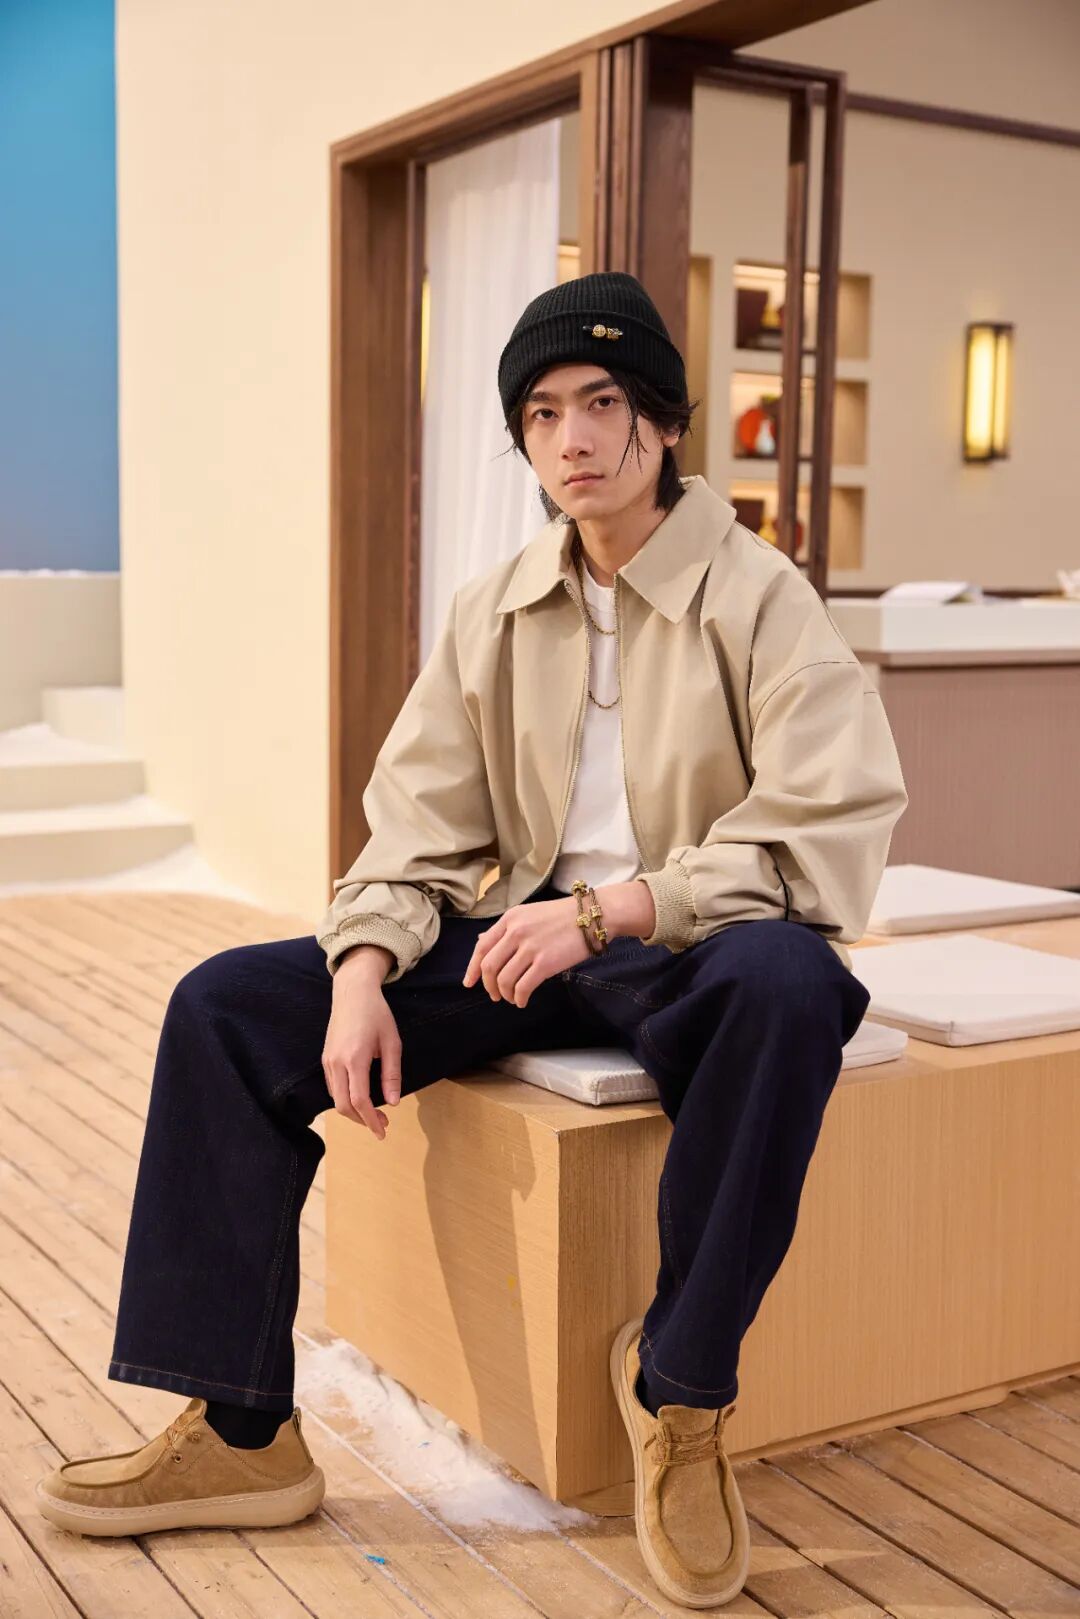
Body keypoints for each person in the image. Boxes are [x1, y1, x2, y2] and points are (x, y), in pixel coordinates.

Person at [36, 271, 907, 1608]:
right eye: (543, 413)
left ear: (667, 422)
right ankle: (242, 1434)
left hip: (689, 946)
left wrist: (614, 909)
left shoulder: (762, 598)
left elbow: (827, 829)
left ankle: (680, 1393)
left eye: (603, 404)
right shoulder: (494, 608)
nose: (573, 439)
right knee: (228, 1005)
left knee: (795, 985)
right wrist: (360, 971)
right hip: (518, 947)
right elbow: (418, 824)